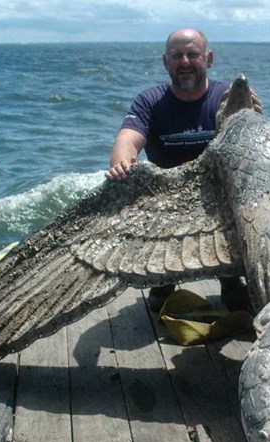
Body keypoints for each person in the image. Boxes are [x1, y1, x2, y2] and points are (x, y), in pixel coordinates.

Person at [106, 27, 259, 312]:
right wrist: (122, 164)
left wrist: (252, 114)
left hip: (219, 197)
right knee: (157, 305)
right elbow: (127, 138)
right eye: (177, 56)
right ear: (166, 62)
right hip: (169, 199)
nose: (185, 62)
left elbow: (253, 147)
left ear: (209, 58)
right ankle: (162, 281)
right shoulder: (149, 101)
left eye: (193, 54)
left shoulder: (229, 97)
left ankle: (232, 279)